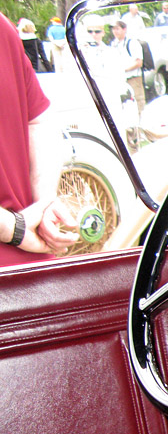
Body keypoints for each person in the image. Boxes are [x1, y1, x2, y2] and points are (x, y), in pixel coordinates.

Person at [0, 14, 78, 268]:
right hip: (26, 258)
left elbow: (38, 121)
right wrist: (13, 228)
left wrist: (43, 204)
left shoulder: (4, 29)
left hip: (28, 266)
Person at [110, 20, 146, 115]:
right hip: (121, 80)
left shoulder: (132, 42)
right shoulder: (113, 44)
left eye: (117, 29)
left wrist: (124, 70)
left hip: (133, 79)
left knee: (138, 103)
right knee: (125, 105)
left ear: (124, 29)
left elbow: (139, 63)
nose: (115, 31)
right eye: (113, 29)